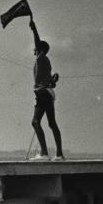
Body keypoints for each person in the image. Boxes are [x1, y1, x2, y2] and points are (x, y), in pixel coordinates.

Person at [29, 18, 64, 160]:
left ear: (40, 50)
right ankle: (59, 154)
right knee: (51, 123)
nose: (33, 49)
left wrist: (34, 29)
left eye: (36, 48)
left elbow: (37, 43)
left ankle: (44, 153)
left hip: (43, 93)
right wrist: (54, 79)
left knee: (35, 122)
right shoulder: (45, 62)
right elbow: (51, 82)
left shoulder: (41, 58)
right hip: (47, 93)